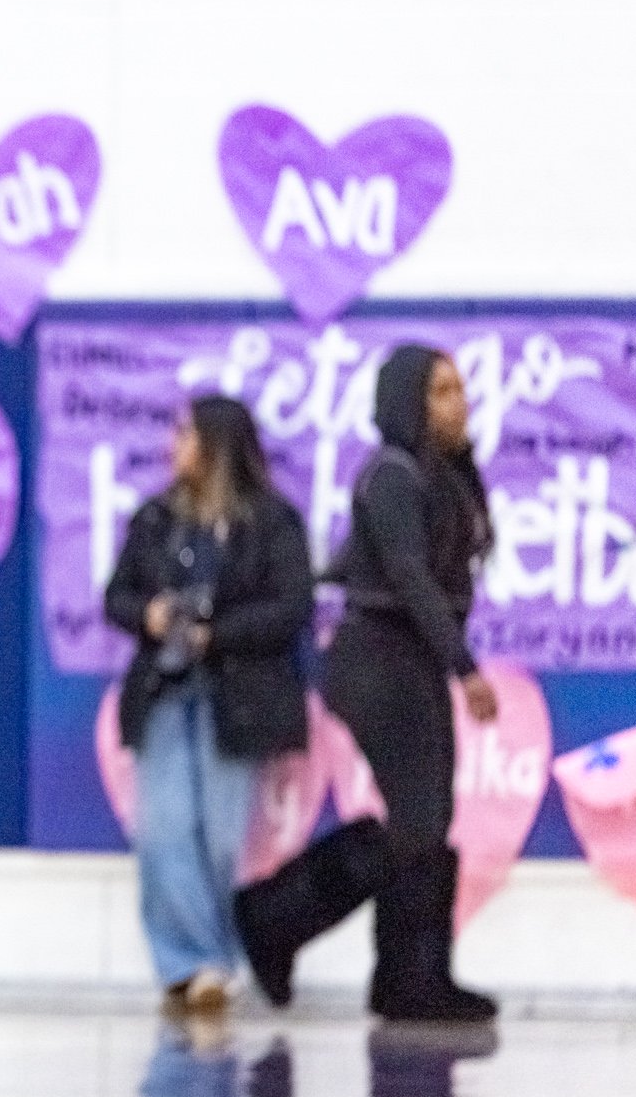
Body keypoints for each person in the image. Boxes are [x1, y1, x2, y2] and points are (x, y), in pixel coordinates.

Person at [236, 346, 501, 1023]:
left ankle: (412, 977)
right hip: (377, 661)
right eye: (441, 391)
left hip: (409, 660)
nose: (459, 402)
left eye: (459, 389)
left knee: (427, 819)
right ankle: (276, 916)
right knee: (418, 819)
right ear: (408, 401)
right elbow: (410, 578)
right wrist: (465, 666)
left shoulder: (441, 477)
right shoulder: (390, 476)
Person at [103, 396, 312, 1015]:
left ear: (217, 444)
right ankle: (187, 963)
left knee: (221, 837)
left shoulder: (273, 521)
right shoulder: (155, 519)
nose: (174, 445)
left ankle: (216, 960)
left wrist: (216, 634)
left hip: (237, 698)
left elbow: (292, 608)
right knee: (163, 829)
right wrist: (150, 615)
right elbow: (116, 597)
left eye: (185, 434)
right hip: (165, 692)